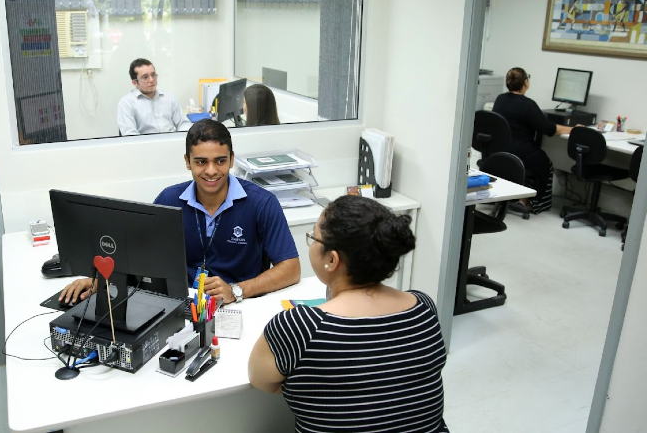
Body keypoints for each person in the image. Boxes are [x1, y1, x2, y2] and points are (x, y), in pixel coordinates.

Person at [248, 195, 449, 433]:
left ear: (332, 260)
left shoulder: (300, 327)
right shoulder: (424, 308)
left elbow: (262, 382)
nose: (311, 244)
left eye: (313, 238)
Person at [60, 119, 301, 305]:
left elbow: (291, 268)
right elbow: (135, 253)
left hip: (241, 305)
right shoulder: (169, 199)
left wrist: (237, 290)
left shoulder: (261, 203)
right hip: (182, 304)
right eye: (200, 161)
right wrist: (100, 280)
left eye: (220, 161)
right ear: (187, 161)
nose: (211, 171)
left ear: (231, 160)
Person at [492, 67, 572, 213]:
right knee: (544, 164)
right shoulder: (528, 104)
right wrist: (572, 129)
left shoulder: (500, 99)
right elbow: (549, 129)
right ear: (525, 83)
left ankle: (519, 196)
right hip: (520, 151)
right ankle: (533, 203)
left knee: (534, 158)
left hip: (500, 149)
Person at [117, 58, 193, 136]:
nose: (151, 80)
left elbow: (184, 124)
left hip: (171, 142)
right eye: (145, 77)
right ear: (135, 82)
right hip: (145, 146)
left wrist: (177, 138)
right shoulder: (126, 103)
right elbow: (130, 135)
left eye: (153, 75)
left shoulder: (169, 98)